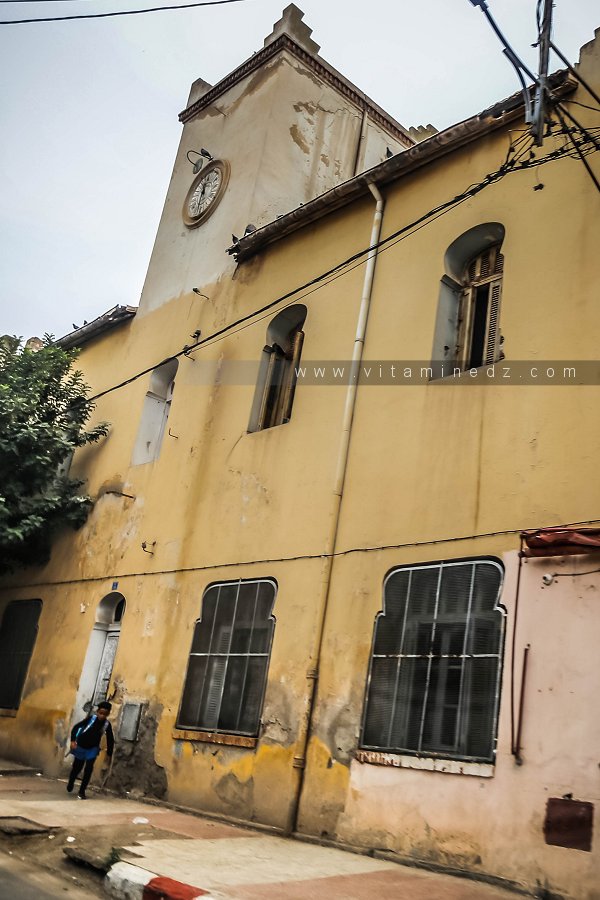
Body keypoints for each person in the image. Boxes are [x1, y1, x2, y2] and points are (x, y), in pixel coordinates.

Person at [67, 701, 114, 799]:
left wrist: (109, 754)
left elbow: (110, 740)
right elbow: (76, 727)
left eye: (105, 714)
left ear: (108, 714)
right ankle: (71, 781)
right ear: (97, 712)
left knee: (88, 769)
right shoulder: (91, 719)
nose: (102, 716)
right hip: (81, 746)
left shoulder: (106, 725)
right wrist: (72, 741)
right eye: (100, 713)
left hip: (92, 749)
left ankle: (82, 791)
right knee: (77, 767)